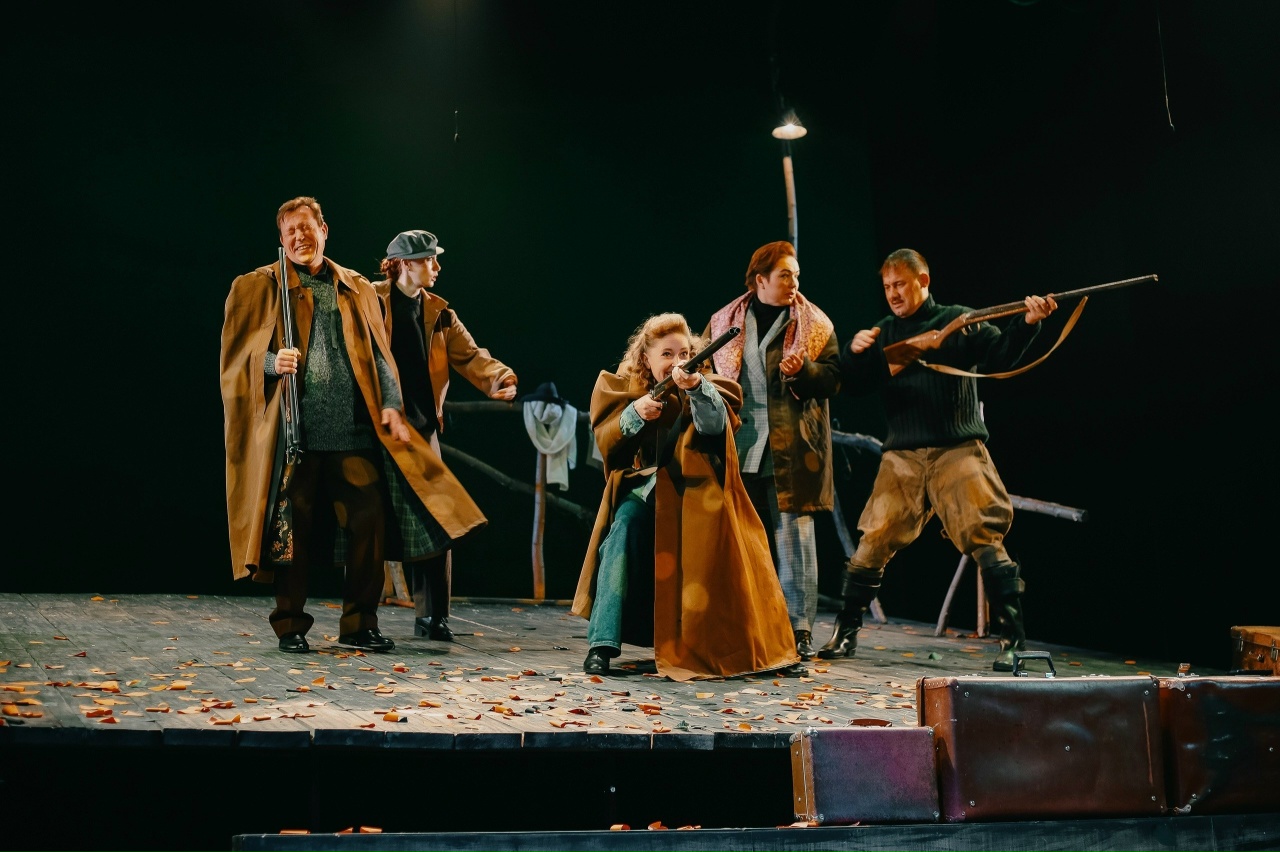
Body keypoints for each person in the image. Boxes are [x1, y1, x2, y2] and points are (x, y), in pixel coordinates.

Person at [220, 197, 487, 654]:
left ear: (324, 230)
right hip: (295, 437)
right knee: (292, 532)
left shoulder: (356, 286)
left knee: (369, 524)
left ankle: (360, 623)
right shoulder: (258, 286)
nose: (300, 238)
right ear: (281, 238)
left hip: (352, 435)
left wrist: (391, 405)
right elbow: (234, 361)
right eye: (291, 232)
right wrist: (269, 361)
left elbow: (381, 356)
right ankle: (290, 625)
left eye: (307, 228)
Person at [821, 248, 1058, 671]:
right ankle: (846, 631)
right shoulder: (884, 331)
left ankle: (1013, 640)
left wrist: (1028, 323)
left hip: (956, 448)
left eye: (900, 284)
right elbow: (854, 385)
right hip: (903, 456)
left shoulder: (959, 319)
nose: (893, 293)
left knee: (983, 535)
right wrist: (855, 353)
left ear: (923, 281)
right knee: (873, 540)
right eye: (887, 286)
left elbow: (1000, 356)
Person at [571, 314, 799, 682]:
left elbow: (716, 425)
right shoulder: (624, 388)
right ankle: (601, 645)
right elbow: (608, 440)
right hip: (647, 489)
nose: (677, 361)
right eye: (666, 354)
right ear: (646, 359)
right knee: (624, 527)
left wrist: (695, 388)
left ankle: (713, 644)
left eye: (684, 353)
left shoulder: (707, 385)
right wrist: (635, 413)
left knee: (721, 546)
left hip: (696, 494)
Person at [375, 229, 518, 641]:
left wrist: (501, 378)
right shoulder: (370, 301)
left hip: (421, 430)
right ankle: (362, 618)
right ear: (405, 264)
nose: (436, 267)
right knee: (370, 523)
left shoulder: (439, 313)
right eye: (428, 260)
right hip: (378, 428)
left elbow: (471, 356)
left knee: (438, 520)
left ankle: (432, 616)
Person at [703, 241, 841, 661]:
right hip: (741, 443)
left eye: (796, 275)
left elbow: (833, 378)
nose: (794, 282)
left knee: (794, 538)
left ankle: (799, 629)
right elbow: (706, 370)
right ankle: (743, 624)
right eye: (785, 275)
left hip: (791, 444)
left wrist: (805, 370)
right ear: (760, 280)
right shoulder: (724, 322)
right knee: (741, 537)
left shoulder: (815, 324)